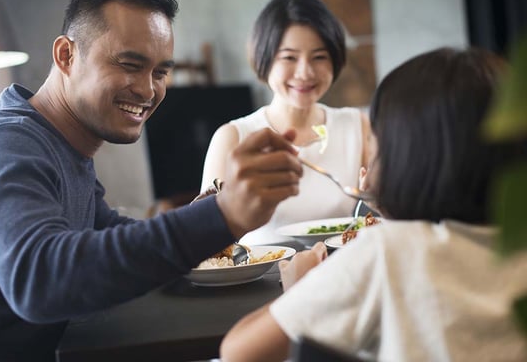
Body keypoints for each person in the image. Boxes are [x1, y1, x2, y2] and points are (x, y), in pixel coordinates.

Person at [0, 0, 303, 362]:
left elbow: (106, 232)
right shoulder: (2, 147)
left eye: (160, 72)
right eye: (129, 64)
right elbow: (39, 281)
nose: (148, 89)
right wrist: (219, 216)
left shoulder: (62, 147)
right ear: (66, 55)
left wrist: (204, 221)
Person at [220, 47, 527, 361]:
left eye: (376, 142)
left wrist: (299, 288)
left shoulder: (389, 252)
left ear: (408, 159)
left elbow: (239, 351)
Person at [200, 0, 369, 245]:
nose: (305, 72)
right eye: (289, 57)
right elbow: (206, 237)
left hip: (344, 276)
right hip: (260, 282)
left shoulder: (357, 125)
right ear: (264, 59)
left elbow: (378, 216)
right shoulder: (233, 137)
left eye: (319, 57)